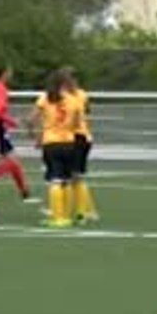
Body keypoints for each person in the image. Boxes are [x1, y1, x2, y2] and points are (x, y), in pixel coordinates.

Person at [27, 70, 80, 228]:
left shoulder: (45, 98)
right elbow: (76, 125)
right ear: (66, 84)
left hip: (51, 143)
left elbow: (30, 120)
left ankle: (57, 217)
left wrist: (35, 136)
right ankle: (67, 216)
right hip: (69, 143)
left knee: (54, 180)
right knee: (67, 180)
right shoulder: (74, 100)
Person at [0, 65, 35, 203]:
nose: (11, 74)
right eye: (9, 72)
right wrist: (12, 122)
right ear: (4, 73)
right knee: (12, 160)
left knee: (14, 161)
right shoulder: (0, 88)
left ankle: (24, 191)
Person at [63, 69, 99, 223]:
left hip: (77, 137)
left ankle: (83, 211)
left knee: (74, 176)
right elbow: (88, 111)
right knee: (74, 176)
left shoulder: (68, 96)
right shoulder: (82, 94)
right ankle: (86, 210)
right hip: (82, 137)